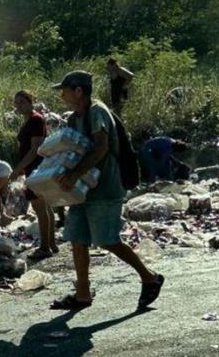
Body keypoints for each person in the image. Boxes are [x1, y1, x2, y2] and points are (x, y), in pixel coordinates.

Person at [50, 70, 163, 311]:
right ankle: (82, 294)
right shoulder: (74, 119)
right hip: (83, 189)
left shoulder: (96, 111)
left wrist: (73, 174)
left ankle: (150, 278)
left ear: (79, 91)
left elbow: (100, 149)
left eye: (65, 90)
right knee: (77, 239)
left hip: (106, 188)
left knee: (107, 240)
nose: (62, 96)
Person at [8, 90, 59, 260]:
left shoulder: (36, 119)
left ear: (31, 101)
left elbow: (34, 149)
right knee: (45, 206)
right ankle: (51, 244)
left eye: (22, 102)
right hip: (32, 168)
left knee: (39, 207)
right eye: (17, 103)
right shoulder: (29, 120)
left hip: (35, 168)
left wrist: (18, 168)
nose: (19, 106)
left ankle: (45, 247)